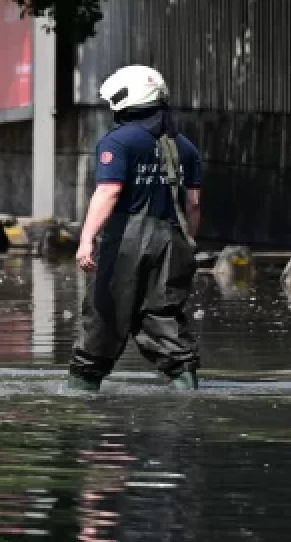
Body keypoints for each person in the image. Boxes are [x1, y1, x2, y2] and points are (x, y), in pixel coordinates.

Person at [69, 65, 203, 391]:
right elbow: (194, 204)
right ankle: (186, 387)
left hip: (128, 238)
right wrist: (187, 243)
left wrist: (86, 239)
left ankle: (80, 395)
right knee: (164, 316)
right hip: (173, 240)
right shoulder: (185, 147)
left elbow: (109, 191)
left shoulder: (118, 142)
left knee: (105, 315)